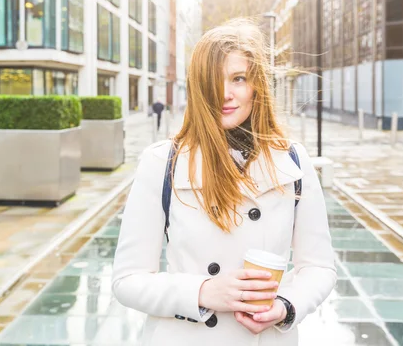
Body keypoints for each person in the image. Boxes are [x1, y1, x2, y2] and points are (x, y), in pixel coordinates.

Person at [112, 18, 336, 346]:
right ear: (198, 87)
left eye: (238, 79)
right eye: (213, 81)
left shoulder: (293, 161)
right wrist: (203, 292)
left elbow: (319, 267)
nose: (225, 95)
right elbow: (127, 280)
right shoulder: (162, 162)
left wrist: (285, 307)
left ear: (256, 84)